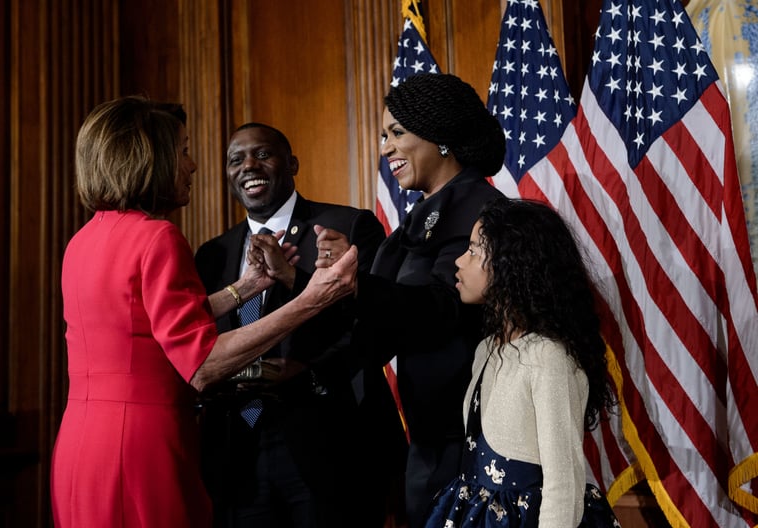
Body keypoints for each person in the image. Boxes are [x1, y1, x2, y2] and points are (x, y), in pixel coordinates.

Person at [50, 96, 358, 528]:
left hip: (81, 447)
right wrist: (314, 299)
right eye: (183, 150)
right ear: (152, 158)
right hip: (140, 447)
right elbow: (203, 364)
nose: (192, 165)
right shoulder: (157, 236)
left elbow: (145, 322)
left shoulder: (81, 241)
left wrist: (245, 288)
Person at [315, 72, 507, 528]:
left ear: (440, 136)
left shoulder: (480, 211)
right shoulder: (420, 219)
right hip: (427, 438)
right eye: (384, 135)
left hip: (468, 439)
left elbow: (441, 309)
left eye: (397, 133)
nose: (385, 148)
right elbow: (384, 319)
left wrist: (355, 282)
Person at [193, 122, 386, 528]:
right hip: (237, 450)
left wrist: (307, 370)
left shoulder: (346, 227)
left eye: (262, 154)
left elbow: (373, 328)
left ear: (292, 163)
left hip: (322, 442)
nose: (249, 166)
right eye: (235, 159)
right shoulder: (212, 254)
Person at [423, 197, 620, 527]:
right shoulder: (487, 348)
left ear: (511, 264)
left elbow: (563, 481)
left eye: (473, 251)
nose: (458, 261)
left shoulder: (548, 357)